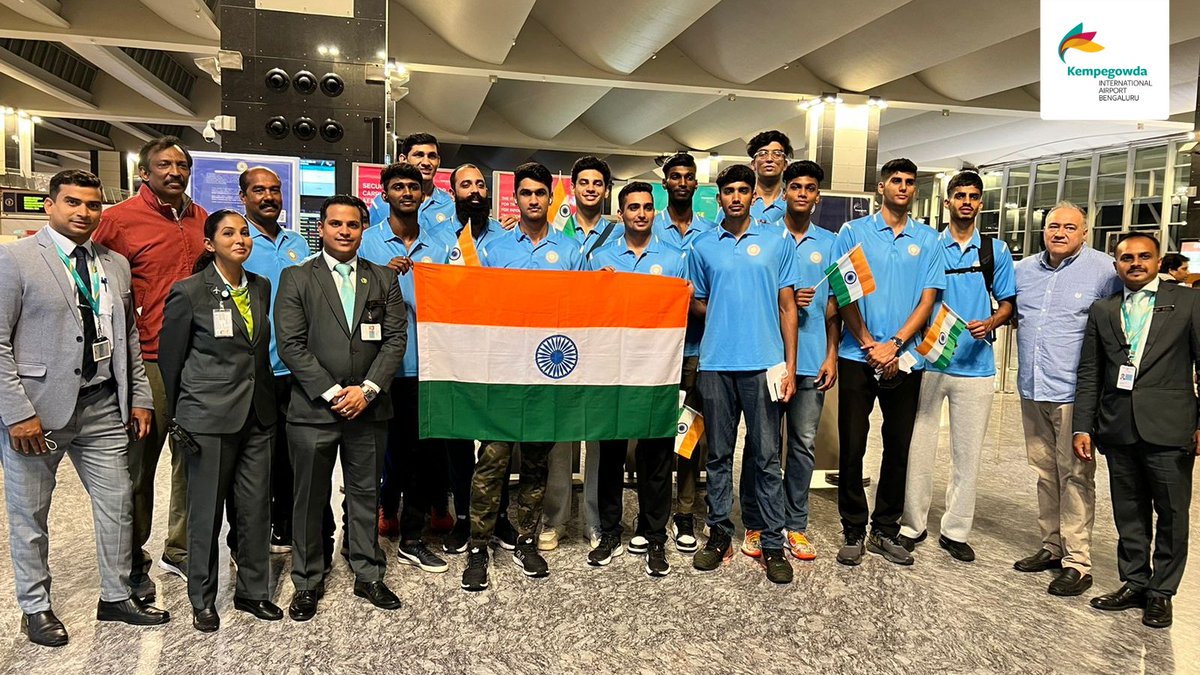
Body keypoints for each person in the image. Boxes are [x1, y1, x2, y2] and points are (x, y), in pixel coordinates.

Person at [0, 169, 168, 647]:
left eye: (93, 205)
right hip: (37, 412)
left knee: (117, 504)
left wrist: (137, 396)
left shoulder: (112, 263)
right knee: (30, 514)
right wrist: (17, 412)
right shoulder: (15, 260)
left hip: (100, 406)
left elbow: (129, 339)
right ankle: (35, 607)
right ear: (50, 205)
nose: (83, 213)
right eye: (72, 202)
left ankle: (116, 595)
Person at [274, 195, 407, 620]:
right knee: (309, 497)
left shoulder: (383, 280)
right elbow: (291, 345)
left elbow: (394, 341)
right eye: (336, 224)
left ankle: (368, 572)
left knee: (365, 494)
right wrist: (332, 392)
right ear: (323, 228)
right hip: (314, 409)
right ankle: (308, 579)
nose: (345, 231)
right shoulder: (296, 278)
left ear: (363, 228)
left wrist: (367, 390)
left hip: (368, 407)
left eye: (353, 224)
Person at [92, 135, 206, 597]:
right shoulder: (118, 222)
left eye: (181, 165)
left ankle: (181, 550)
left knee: (192, 460)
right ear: (144, 172)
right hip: (149, 358)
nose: (174, 172)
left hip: (199, 358)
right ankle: (130, 557)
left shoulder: (202, 220)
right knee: (138, 463)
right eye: (164, 165)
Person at [462, 162, 584, 592]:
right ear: (516, 198)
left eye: (540, 193)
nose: (533, 200)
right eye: (526, 193)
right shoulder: (494, 248)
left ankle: (528, 539)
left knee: (536, 463)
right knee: (492, 461)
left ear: (551, 199)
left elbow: (585, 311)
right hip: (502, 373)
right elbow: (471, 301)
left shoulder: (571, 252)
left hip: (548, 374)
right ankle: (478, 546)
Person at [158, 210, 281, 631]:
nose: (241, 239)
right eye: (229, 233)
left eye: (245, 232)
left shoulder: (261, 287)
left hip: (258, 417)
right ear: (209, 244)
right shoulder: (189, 292)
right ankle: (202, 598)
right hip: (208, 418)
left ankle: (252, 592)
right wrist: (183, 415)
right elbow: (171, 362)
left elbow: (255, 354)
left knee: (253, 510)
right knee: (205, 513)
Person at [1073, 232, 1199, 629]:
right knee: (1129, 512)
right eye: (1126, 258)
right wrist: (1083, 426)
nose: (1136, 263)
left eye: (1144, 256)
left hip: (1170, 425)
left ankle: (1162, 592)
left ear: (1158, 261)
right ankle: (1135, 581)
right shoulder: (1104, 309)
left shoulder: (1189, 302)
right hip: (1118, 424)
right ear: (1116, 266)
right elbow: (1091, 371)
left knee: (1173, 513)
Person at [689, 164, 799, 584]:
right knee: (717, 456)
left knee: (767, 459)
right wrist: (724, 311)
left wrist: (788, 366)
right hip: (716, 364)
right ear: (719, 198)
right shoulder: (704, 247)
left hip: (764, 366)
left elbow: (788, 307)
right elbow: (698, 301)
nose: (735, 197)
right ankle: (719, 534)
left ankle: (772, 542)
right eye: (728, 191)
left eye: (742, 190)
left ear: (754, 196)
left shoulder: (776, 242)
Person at [899, 171, 1016, 563]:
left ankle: (955, 530)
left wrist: (994, 321)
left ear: (981, 203)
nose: (966, 201)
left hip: (977, 366)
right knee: (920, 448)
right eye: (960, 195)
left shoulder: (994, 251)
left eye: (974, 196)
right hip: (932, 362)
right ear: (947, 202)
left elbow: (1007, 304)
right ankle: (912, 525)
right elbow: (918, 300)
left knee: (967, 454)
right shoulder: (931, 246)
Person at [833, 158, 944, 568]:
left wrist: (895, 345)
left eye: (909, 182)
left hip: (905, 359)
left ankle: (884, 528)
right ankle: (852, 528)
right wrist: (868, 343)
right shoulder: (854, 233)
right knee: (853, 445)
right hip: (856, 356)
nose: (902, 187)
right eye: (895, 181)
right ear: (881, 187)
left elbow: (928, 300)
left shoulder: (928, 240)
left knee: (898, 446)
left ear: (915, 189)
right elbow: (845, 295)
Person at [1013, 201, 1121, 597]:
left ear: (1085, 232)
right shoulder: (1023, 271)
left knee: (1076, 475)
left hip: (1074, 396)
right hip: (1032, 388)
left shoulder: (1104, 271)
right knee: (1044, 473)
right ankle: (1052, 546)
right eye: (1053, 226)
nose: (1059, 233)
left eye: (1069, 227)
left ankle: (1078, 562)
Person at [585, 181, 688, 577]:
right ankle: (610, 530)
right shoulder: (600, 260)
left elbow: (688, 307)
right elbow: (585, 312)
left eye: (647, 207)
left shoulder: (676, 258)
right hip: (612, 369)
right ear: (621, 213)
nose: (641, 213)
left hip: (658, 369)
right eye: (633, 208)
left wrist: (686, 295)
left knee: (656, 454)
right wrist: (599, 290)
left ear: (653, 211)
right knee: (610, 452)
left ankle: (654, 533)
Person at [359, 162, 453, 574]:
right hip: (379, 367)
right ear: (385, 195)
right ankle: (376, 519)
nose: (406, 193)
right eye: (397, 187)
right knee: (381, 452)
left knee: (423, 453)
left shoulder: (443, 242)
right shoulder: (367, 244)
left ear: (423, 194)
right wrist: (384, 279)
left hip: (430, 364)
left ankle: (413, 537)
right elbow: (351, 299)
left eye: (413, 187)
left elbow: (462, 294)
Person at [238, 166, 317, 557]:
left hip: (294, 369)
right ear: (244, 197)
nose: (268, 197)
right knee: (256, 461)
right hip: (257, 370)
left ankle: (284, 526)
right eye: (258, 191)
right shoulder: (239, 241)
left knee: (291, 456)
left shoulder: (297, 243)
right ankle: (248, 536)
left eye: (274, 190)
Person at [542, 155, 619, 552]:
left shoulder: (620, 237)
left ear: (606, 190)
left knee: (599, 438)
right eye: (583, 182)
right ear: (573, 188)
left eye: (597, 183)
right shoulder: (555, 234)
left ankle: (595, 521)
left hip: (603, 349)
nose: (590, 188)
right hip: (562, 349)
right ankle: (553, 519)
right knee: (560, 438)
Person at [441, 163, 516, 555]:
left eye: (480, 185)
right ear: (452, 191)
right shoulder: (439, 239)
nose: (474, 190)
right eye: (465, 184)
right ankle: (465, 519)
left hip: (498, 355)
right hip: (454, 354)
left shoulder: (506, 241)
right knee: (457, 442)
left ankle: (499, 513)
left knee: (495, 441)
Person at [770, 161, 839, 562]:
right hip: (770, 361)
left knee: (802, 445)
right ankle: (762, 523)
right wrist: (783, 301)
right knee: (762, 447)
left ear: (817, 197)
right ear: (783, 193)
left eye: (808, 188)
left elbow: (837, 305)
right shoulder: (765, 239)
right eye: (794, 186)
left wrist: (832, 354)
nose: (800, 193)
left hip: (812, 361)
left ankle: (795, 525)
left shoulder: (831, 244)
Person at [651, 152, 716, 555]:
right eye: (674, 176)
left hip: (696, 348)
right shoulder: (647, 228)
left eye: (688, 177)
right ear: (665, 184)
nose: (681, 182)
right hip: (656, 352)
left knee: (689, 434)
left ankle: (686, 513)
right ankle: (653, 514)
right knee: (656, 434)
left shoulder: (710, 233)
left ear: (695, 185)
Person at [716, 131, 791, 227]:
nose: (769, 159)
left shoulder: (792, 204)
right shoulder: (735, 203)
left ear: (785, 164)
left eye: (777, 154)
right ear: (753, 164)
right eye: (762, 154)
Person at [400, 132, 456, 234]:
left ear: (438, 161)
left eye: (432, 156)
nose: (426, 162)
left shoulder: (451, 206)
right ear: (403, 159)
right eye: (419, 155)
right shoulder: (384, 204)